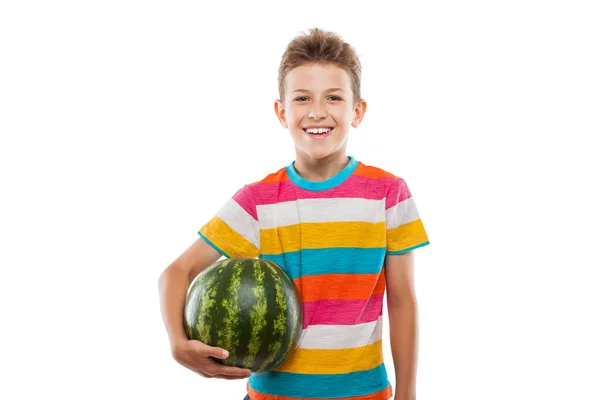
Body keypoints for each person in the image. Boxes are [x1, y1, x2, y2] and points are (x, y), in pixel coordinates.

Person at [159, 27, 430, 400]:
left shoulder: (388, 194)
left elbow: (402, 302)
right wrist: (177, 343)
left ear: (357, 110)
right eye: (302, 98)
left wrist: (408, 394)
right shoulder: (257, 201)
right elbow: (177, 272)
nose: (317, 111)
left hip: (365, 394)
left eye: (333, 97)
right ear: (282, 112)